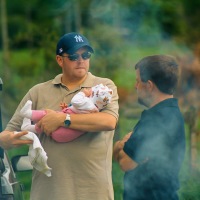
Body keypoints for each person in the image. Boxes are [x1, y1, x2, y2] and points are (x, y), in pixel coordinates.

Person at [1, 32, 119, 200]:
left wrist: (63, 119)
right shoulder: (37, 92)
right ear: (59, 60)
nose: (81, 60)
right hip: (47, 194)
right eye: (73, 56)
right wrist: (7, 140)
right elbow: (8, 133)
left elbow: (108, 122)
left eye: (85, 55)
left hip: (94, 193)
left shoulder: (103, 87)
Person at [113, 55, 185, 200]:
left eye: (138, 81)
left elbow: (125, 163)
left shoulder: (155, 120)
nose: (135, 86)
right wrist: (125, 147)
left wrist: (121, 144)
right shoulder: (172, 112)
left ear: (149, 85)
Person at [20, 84, 113, 142]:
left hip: (63, 131)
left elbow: (75, 101)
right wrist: (67, 107)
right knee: (47, 123)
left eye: (91, 91)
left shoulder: (89, 103)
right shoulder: (94, 109)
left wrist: (83, 93)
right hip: (63, 135)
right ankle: (29, 128)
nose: (89, 90)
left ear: (93, 95)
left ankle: (28, 113)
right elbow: (78, 108)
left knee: (47, 114)